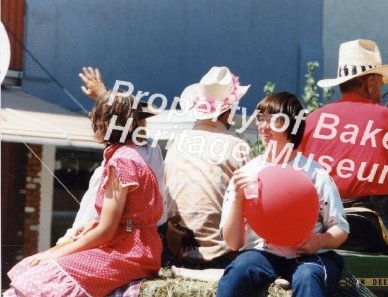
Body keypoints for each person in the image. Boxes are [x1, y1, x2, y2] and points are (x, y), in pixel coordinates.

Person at [5, 91, 163, 296]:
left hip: (129, 251)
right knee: (32, 266)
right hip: (137, 248)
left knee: (41, 274)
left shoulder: (122, 161)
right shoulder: (130, 154)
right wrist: (92, 225)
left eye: (95, 118)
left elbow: (107, 230)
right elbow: (126, 218)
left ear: (104, 123)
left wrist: (56, 254)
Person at [217, 92, 349, 297]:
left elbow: (340, 227)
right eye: (261, 118)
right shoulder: (247, 174)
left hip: (310, 258)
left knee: (308, 277)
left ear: (293, 127)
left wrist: (319, 241)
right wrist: (236, 198)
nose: (264, 126)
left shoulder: (316, 174)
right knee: (238, 273)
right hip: (262, 253)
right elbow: (233, 243)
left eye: (275, 120)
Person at [300, 39, 388, 209]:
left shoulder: (312, 120)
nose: (381, 90)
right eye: (381, 83)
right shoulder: (386, 118)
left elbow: (294, 170)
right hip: (368, 218)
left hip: (319, 217)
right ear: (370, 83)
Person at [56, 67, 167, 246]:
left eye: (97, 117)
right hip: (151, 238)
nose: (92, 119)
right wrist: (106, 99)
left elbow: (89, 222)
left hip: (125, 243)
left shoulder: (117, 165)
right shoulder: (149, 148)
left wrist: (61, 245)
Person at [163, 66, 252, 269]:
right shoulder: (238, 146)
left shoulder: (177, 142)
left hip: (175, 249)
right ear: (229, 109)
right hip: (222, 254)